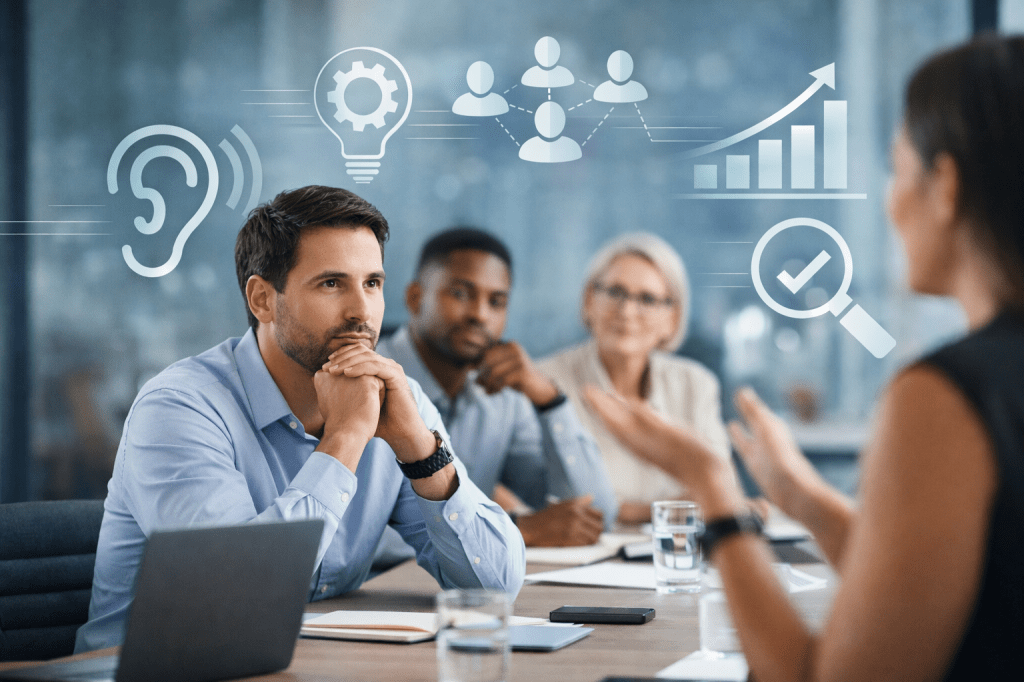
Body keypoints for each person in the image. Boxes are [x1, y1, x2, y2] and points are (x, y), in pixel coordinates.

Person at [584, 35, 1024, 682]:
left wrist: (712, 485)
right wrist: (801, 495)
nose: (889, 202)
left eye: (898, 170)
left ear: (947, 184)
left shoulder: (946, 396)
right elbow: (932, 588)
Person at [75, 187, 525, 653]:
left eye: (372, 283)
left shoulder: (396, 400)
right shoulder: (178, 408)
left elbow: (497, 587)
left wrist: (422, 452)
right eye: (331, 283)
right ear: (263, 300)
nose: (361, 311)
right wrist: (346, 438)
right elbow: (233, 600)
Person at [376, 227, 617, 548]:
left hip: (466, 592)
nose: (479, 314)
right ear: (415, 298)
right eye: (461, 294)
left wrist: (549, 399)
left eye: (497, 301)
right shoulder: (369, 379)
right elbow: (353, 538)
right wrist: (514, 529)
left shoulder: (500, 395)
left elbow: (594, 514)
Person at [538, 232, 731, 523]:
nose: (627, 311)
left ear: (672, 318)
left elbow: (720, 490)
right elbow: (552, 503)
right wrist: (665, 511)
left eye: (647, 299)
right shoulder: (544, 382)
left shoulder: (696, 384)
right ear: (589, 300)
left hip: (680, 554)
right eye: (615, 292)